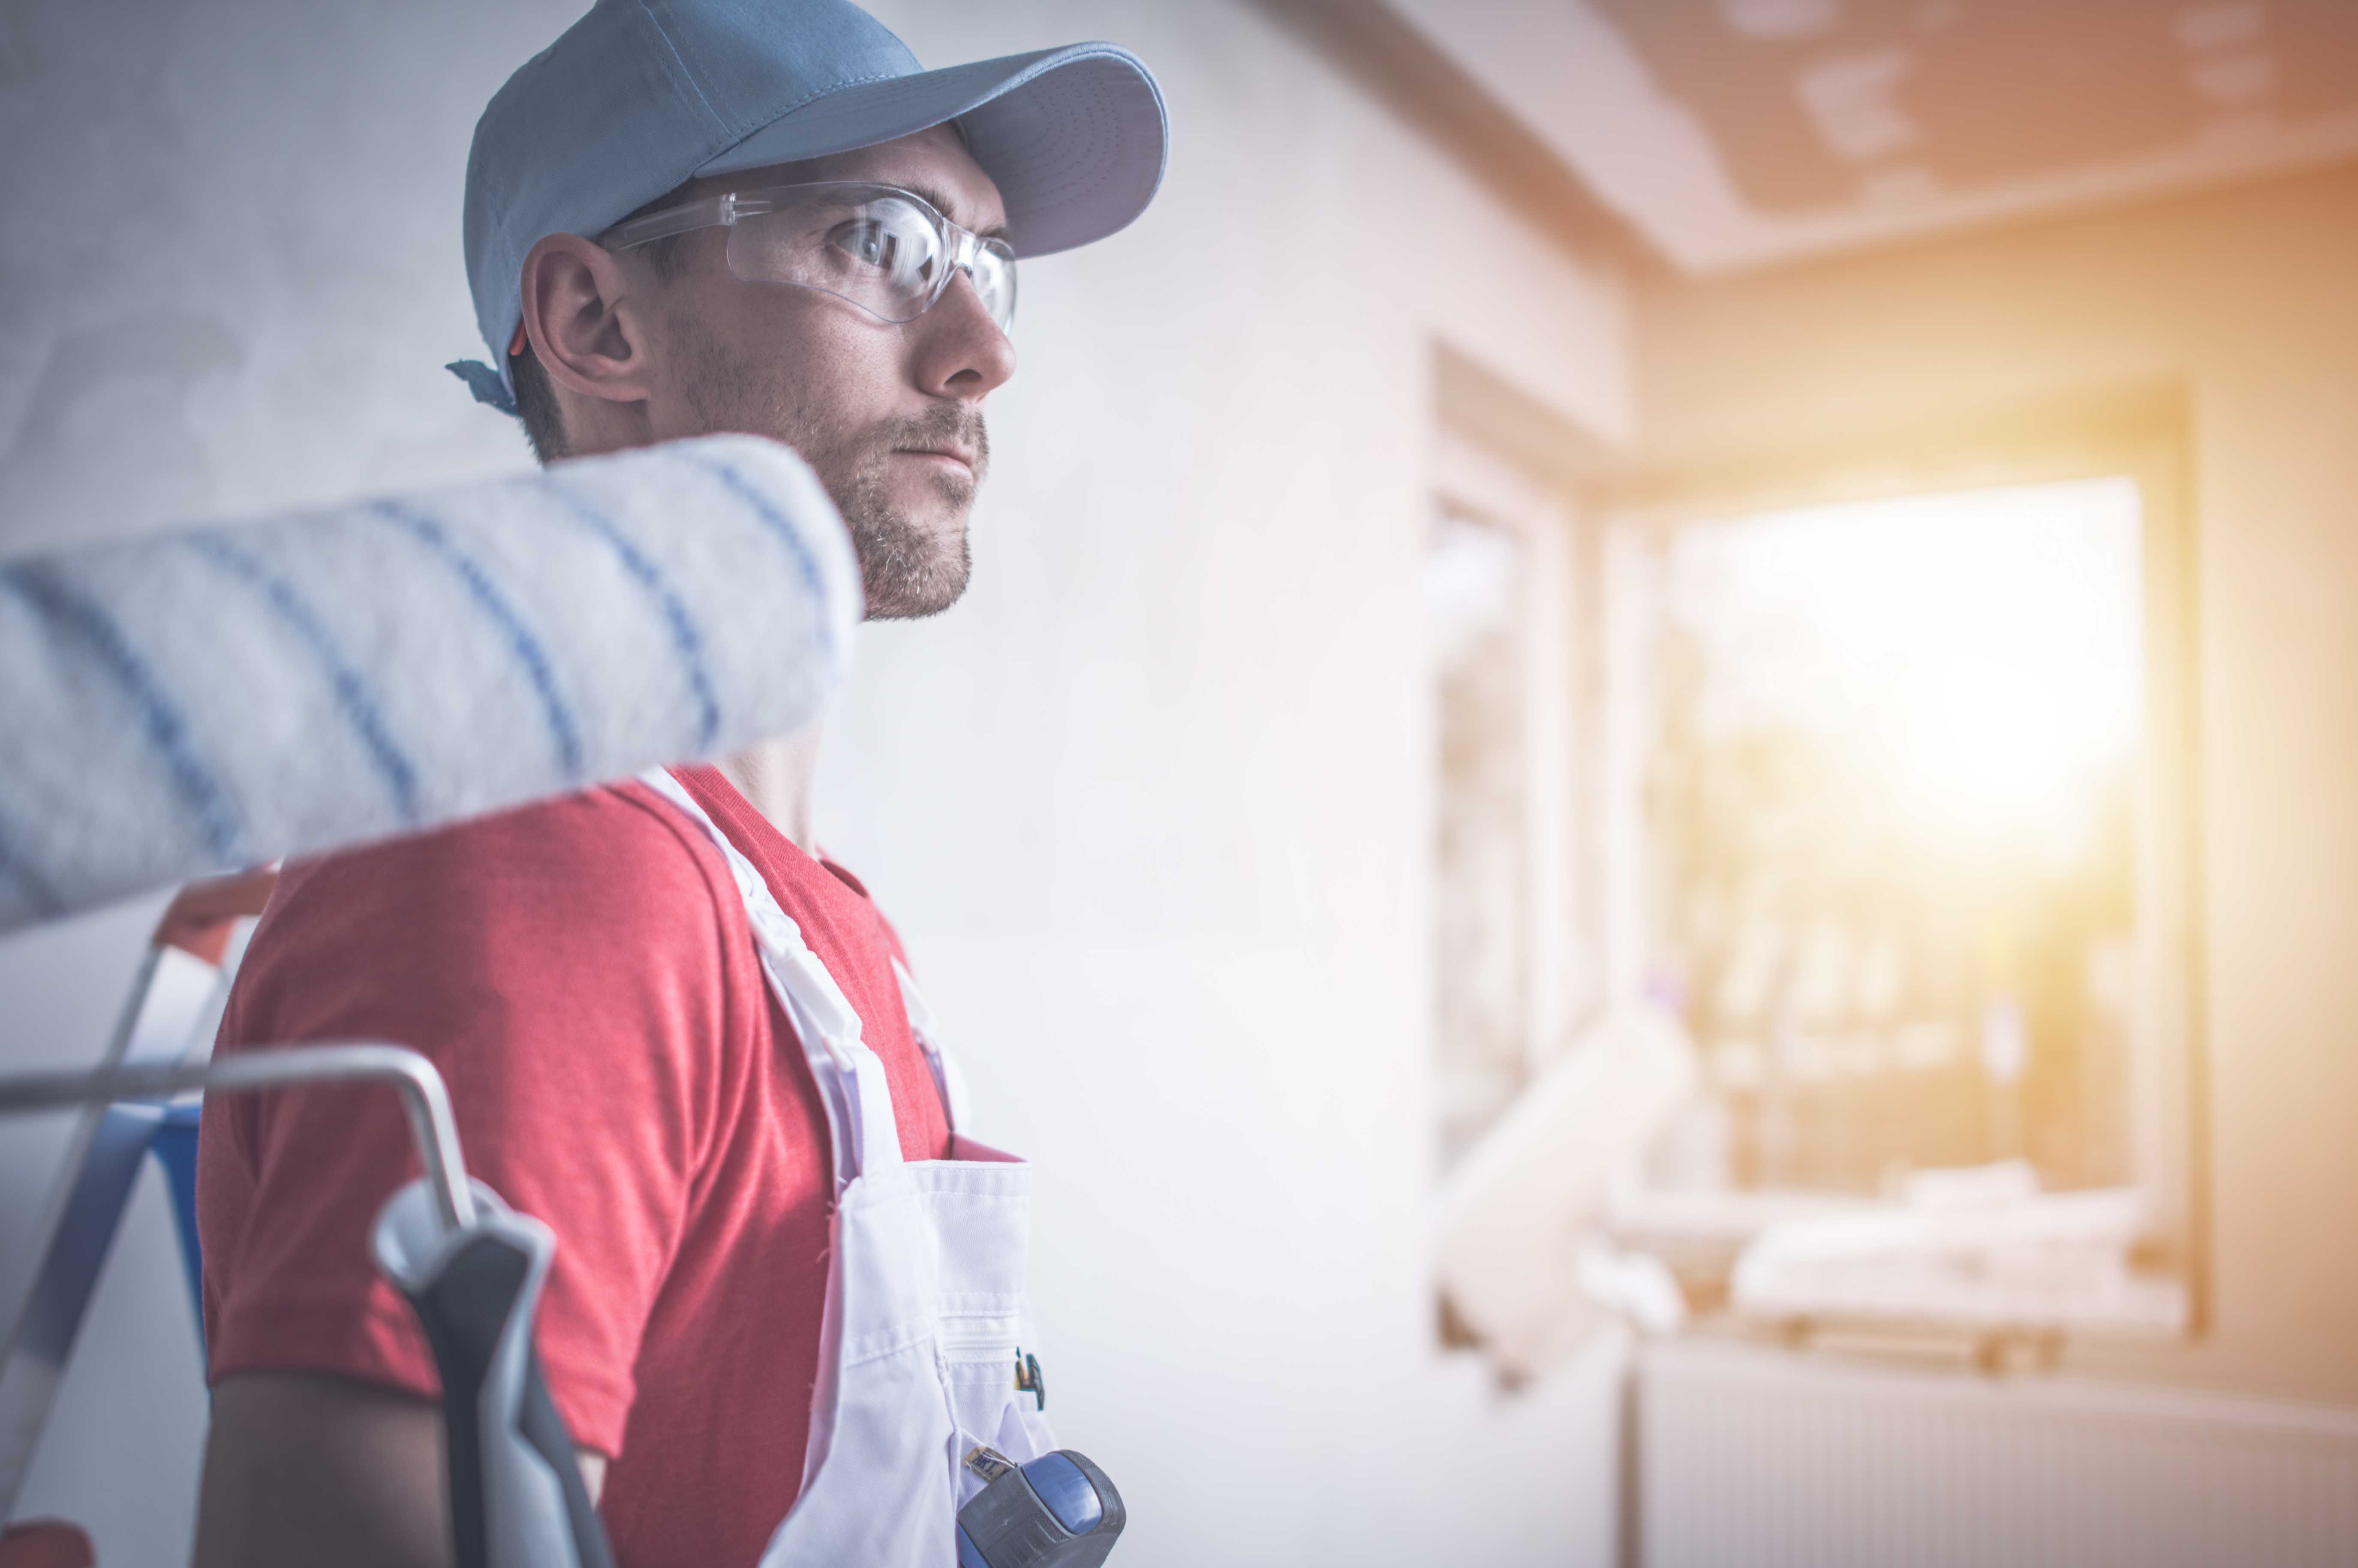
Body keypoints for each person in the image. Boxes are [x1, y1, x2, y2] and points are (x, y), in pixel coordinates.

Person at [187, 3, 1165, 1565]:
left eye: (983, 262)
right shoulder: (540, 879)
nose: (982, 345)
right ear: (595, 322)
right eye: (879, 241)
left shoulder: (819, 929)